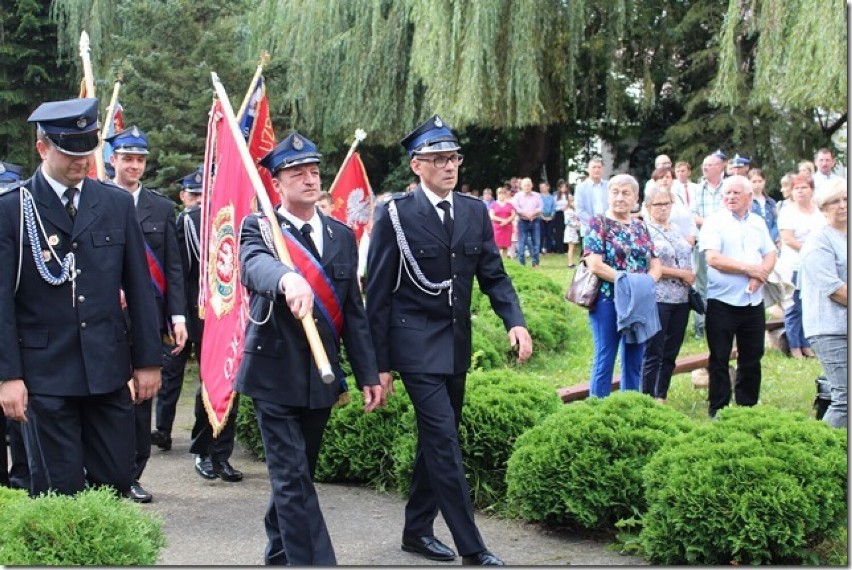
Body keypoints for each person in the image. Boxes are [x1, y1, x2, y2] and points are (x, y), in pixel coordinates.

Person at [366, 115, 532, 566]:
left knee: (436, 440)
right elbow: (377, 296)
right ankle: (473, 548)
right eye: (438, 159)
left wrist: (513, 321)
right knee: (444, 443)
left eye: (453, 157)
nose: (449, 166)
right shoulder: (395, 214)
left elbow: (493, 277)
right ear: (417, 166)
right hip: (414, 347)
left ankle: (416, 531)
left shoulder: (475, 212)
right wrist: (378, 365)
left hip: (456, 344)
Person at [0, 98, 162, 497]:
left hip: (107, 368)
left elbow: (140, 288)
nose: (80, 162)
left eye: (86, 151)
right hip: (44, 373)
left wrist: (147, 361)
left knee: (116, 479)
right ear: (42, 148)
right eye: (68, 152)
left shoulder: (115, 203)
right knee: (59, 489)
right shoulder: (12, 209)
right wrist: (8, 376)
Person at [236, 131, 383, 566]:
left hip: (322, 377)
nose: (309, 178)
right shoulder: (261, 227)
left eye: (314, 170)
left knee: (296, 478)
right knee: (292, 478)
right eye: (296, 172)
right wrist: (286, 277)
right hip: (274, 374)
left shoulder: (340, 235)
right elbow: (251, 264)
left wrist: (368, 374)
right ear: (276, 183)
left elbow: (353, 314)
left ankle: (280, 555)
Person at [105, 126, 188, 503]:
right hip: (105, 319)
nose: (134, 165)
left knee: (143, 396)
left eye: (140, 159)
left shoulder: (161, 207)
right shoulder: (97, 199)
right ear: (112, 161)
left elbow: (173, 268)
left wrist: (179, 317)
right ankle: (104, 472)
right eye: (127, 159)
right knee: (107, 396)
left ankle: (132, 475)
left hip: (148, 318)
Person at [699, 175, 776, 418]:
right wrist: (750, 269)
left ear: (749, 197)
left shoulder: (756, 222)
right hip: (722, 301)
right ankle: (718, 410)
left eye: (736, 193)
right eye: (727, 194)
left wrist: (760, 273)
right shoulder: (715, 222)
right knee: (719, 358)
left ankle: (748, 408)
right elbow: (714, 259)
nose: (730, 197)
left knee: (752, 357)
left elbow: (771, 252)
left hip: (753, 301)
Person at [584, 174, 662, 398]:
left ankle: (630, 409)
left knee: (634, 359)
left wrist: (644, 284)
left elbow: (656, 265)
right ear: (608, 195)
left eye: (626, 193)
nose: (620, 197)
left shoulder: (640, 227)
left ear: (636, 197)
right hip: (608, 300)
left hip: (638, 301)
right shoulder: (598, 223)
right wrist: (626, 282)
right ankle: (597, 413)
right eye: (615, 192)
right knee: (605, 358)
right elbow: (595, 264)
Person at [800, 181, 847, 429]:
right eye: (835, 202)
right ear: (823, 207)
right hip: (830, 329)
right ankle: (818, 449)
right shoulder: (819, 241)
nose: (842, 206)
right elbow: (835, 290)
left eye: (846, 199)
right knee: (844, 398)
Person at [641, 186, 695, 402]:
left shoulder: (673, 228)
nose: (663, 208)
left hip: (681, 298)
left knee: (671, 350)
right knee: (654, 350)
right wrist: (681, 273)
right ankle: (647, 395)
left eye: (667, 203)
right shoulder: (645, 231)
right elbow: (648, 266)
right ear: (647, 207)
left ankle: (661, 394)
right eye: (658, 204)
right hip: (659, 298)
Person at [777, 174, 826, 359]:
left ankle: (806, 344)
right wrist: (809, 250)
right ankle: (794, 346)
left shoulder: (818, 211)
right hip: (794, 264)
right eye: (796, 188)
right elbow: (788, 238)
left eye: (804, 187)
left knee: (809, 305)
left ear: (811, 189)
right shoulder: (787, 212)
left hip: (815, 264)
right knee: (794, 306)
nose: (800, 191)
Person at [690, 151, 727, 339]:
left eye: (709, 165)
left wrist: (712, 223)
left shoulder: (729, 188)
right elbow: (693, 216)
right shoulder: (697, 190)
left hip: (726, 245)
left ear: (721, 167)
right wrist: (713, 223)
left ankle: (722, 324)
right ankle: (701, 327)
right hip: (702, 243)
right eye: (704, 165)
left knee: (724, 282)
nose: (705, 168)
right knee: (701, 285)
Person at [641, 166, 697, 245]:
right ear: (655, 181)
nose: (665, 180)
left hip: (688, 245)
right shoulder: (650, 201)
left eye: (668, 177)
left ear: (673, 180)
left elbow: (690, 218)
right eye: (661, 177)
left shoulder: (679, 197)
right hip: (665, 244)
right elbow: (651, 226)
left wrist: (692, 236)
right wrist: (680, 240)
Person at [511, 177, 543, 267]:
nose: (527, 187)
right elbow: (516, 207)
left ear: (532, 185)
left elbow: (540, 207)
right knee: (521, 242)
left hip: (535, 220)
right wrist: (526, 215)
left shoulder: (537, 195)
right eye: (525, 185)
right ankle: (521, 263)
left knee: (536, 242)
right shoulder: (517, 196)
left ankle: (535, 262)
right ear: (522, 186)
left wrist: (532, 214)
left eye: (528, 185)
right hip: (522, 221)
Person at [574, 157, 609, 240]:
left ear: (603, 169)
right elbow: (579, 210)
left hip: (608, 227)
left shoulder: (609, 185)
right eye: (594, 167)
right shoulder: (581, 187)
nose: (596, 170)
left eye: (599, 167)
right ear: (588, 169)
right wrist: (595, 222)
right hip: (589, 227)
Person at [747, 168, 779, 245]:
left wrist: (771, 238)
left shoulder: (771, 202)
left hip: (771, 240)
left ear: (764, 181)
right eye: (754, 182)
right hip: (753, 240)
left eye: (760, 181)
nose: (757, 184)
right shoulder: (747, 202)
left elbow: (776, 221)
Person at [488, 187, 515, 258]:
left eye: (503, 193)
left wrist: (507, 221)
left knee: (505, 246)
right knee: (497, 245)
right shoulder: (493, 204)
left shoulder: (510, 205)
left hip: (507, 227)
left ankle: (505, 260)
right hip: (497, 227)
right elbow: (491, 216)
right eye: (500, 193)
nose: (501, 195)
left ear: (506, 195)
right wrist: (502, 220)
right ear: (497, 194)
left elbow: (513, 215)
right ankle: (497, 260)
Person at [552, 179, 570, 254]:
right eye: (562, 187)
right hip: (559, 214)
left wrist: (567, 207)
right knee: (559, 232)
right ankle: (559, 249)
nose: (563, 189)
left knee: (566, 231)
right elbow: (554, 206)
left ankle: (566, 248)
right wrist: (560, 208)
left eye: (565, 187)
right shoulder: (556, 196)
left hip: (567, 214)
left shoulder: (569, 196)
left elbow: (572, 204)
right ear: (559, 188)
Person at [563, 194, 580, 267]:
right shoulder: (568, 211)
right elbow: (567, 222)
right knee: (571, 248)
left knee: (573, 248)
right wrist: (577, 224)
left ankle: (571, 262)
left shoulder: (574, 210)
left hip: (574, 231)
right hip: (570, 231)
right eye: (572, 201)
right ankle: (570, 263)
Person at [539, 181, 556, 254]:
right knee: (541, 234)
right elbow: (538, 207)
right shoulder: (538, 197)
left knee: (549, 234)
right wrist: (542, 216)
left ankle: (549, 250)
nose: (542, 189)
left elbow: (554, 207)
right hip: (540, 217)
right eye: (541, 187)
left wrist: (551, 216)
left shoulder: (552, 197)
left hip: (550, 217)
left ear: (548, 187)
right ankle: (540, 250)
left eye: (543, 187)